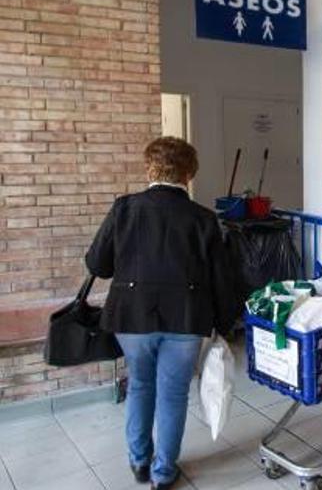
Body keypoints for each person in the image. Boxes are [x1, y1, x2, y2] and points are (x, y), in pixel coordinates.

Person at [85, 137, 239, 490]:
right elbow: (222, 280)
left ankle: (139, 461)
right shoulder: (203, 219)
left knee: (140, 385)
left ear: (149, 168)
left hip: (132, 318)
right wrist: (224, 323)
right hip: (185, 319)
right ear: (189, 173)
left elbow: (98, 264)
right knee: (173, 394)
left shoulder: (124, 208)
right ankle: (163, 472)